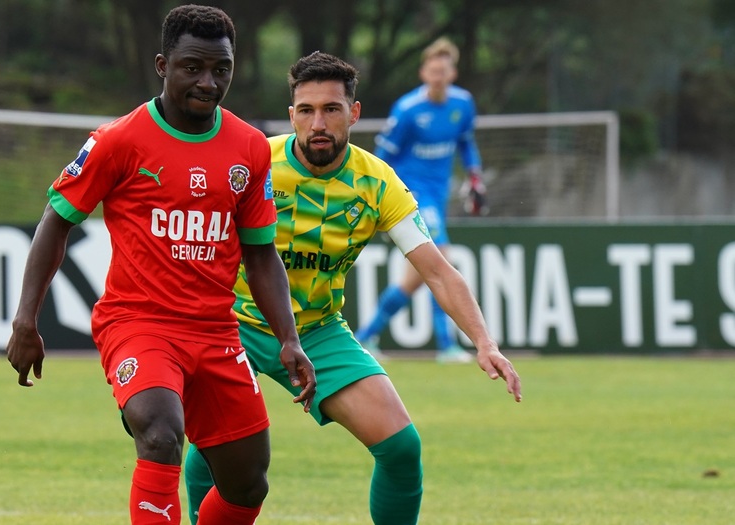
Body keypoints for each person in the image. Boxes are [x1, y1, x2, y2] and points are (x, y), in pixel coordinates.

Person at [5, 5, 317, 525]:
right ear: (162, 65)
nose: (209, 82)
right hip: (138, 324)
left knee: (247, 482)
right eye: (192, 67)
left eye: (222, 69)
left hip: (217, 330)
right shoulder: (117, 141)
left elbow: (261, 252)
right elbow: (55, 221)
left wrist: (288, 337)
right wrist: (25, 319)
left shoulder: (248, 148)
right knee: (160, 433)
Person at [183, 51, 521, 525]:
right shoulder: (255, 160)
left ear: (354, 114)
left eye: (331, 109)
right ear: (292, 116)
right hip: (231, 322)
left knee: (401, 447)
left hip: (318, 330)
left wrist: (484, 342)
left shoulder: (378, 181)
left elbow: (438, 270)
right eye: (306, 110)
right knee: (217, 449)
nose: (317, 122)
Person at [354, 37, 487, 363]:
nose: (438, 76)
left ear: (452, 73)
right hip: (412, 195)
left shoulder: (462, 104)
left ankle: (365, 335)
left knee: (415, 278)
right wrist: (379, 198)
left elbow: (467, 143)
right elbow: (383, 156)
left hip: (438, 195)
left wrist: (475, 177)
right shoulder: (408, 110)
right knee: (441, 257)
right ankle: (447, 346)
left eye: (444, 70)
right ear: (423, 72)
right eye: (433, 70)